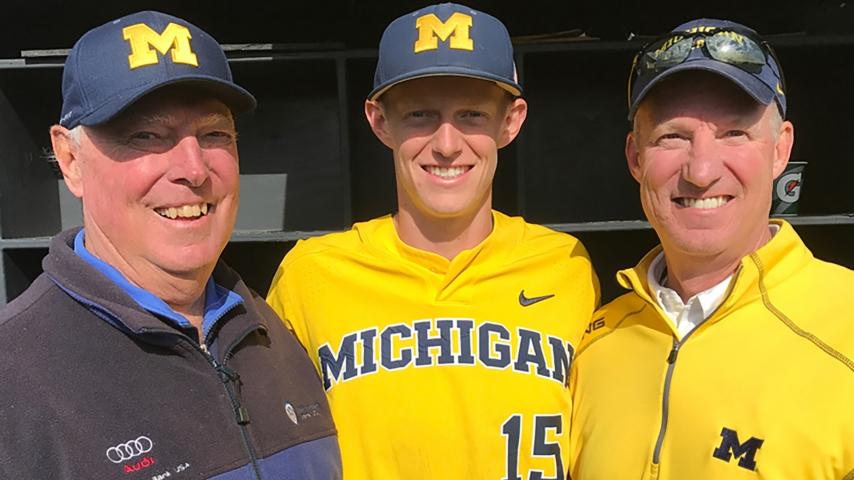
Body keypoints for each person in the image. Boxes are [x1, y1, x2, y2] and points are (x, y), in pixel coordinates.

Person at [0, 11, 341, 479]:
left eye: (214, 133)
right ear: (70, 159)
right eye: (146, 136)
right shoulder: (13, 378)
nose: (193, 170)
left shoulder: (272, 333)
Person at [266, 3, 599, 478]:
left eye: (472, 115)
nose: (446, 144)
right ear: (380, 121)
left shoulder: (567, 267)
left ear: (511, 120)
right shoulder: (311, 275)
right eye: (420, 115)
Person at [569, 18, 854, 479]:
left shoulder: (846, 326)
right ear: (635, 158)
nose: (701, 171)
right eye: (672, 137)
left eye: (734, 133)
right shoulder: (590, 345)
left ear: (780, 150)